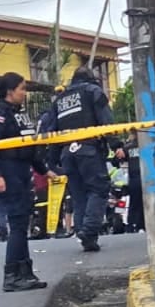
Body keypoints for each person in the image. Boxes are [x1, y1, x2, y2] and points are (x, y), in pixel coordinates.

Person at [0, 72, 52, 292]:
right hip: (8, 171)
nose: (25, 93)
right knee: (17, 223)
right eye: (22, 88)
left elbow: (29, 147)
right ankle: (12, 274)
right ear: (10, 91)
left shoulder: (19, 114)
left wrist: (44, 170)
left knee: (23, 223)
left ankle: (25, 272)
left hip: (23, 172)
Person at [46, 66, 124, 252]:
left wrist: (52, 159)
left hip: (67, 153)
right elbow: (106, 120)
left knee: (79, 194)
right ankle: (89, 231)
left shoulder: (60, 99)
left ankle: (85, 236)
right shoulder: (93, 91)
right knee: (99, 188)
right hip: (88, 149)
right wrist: (116, 144)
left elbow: (53, 130)